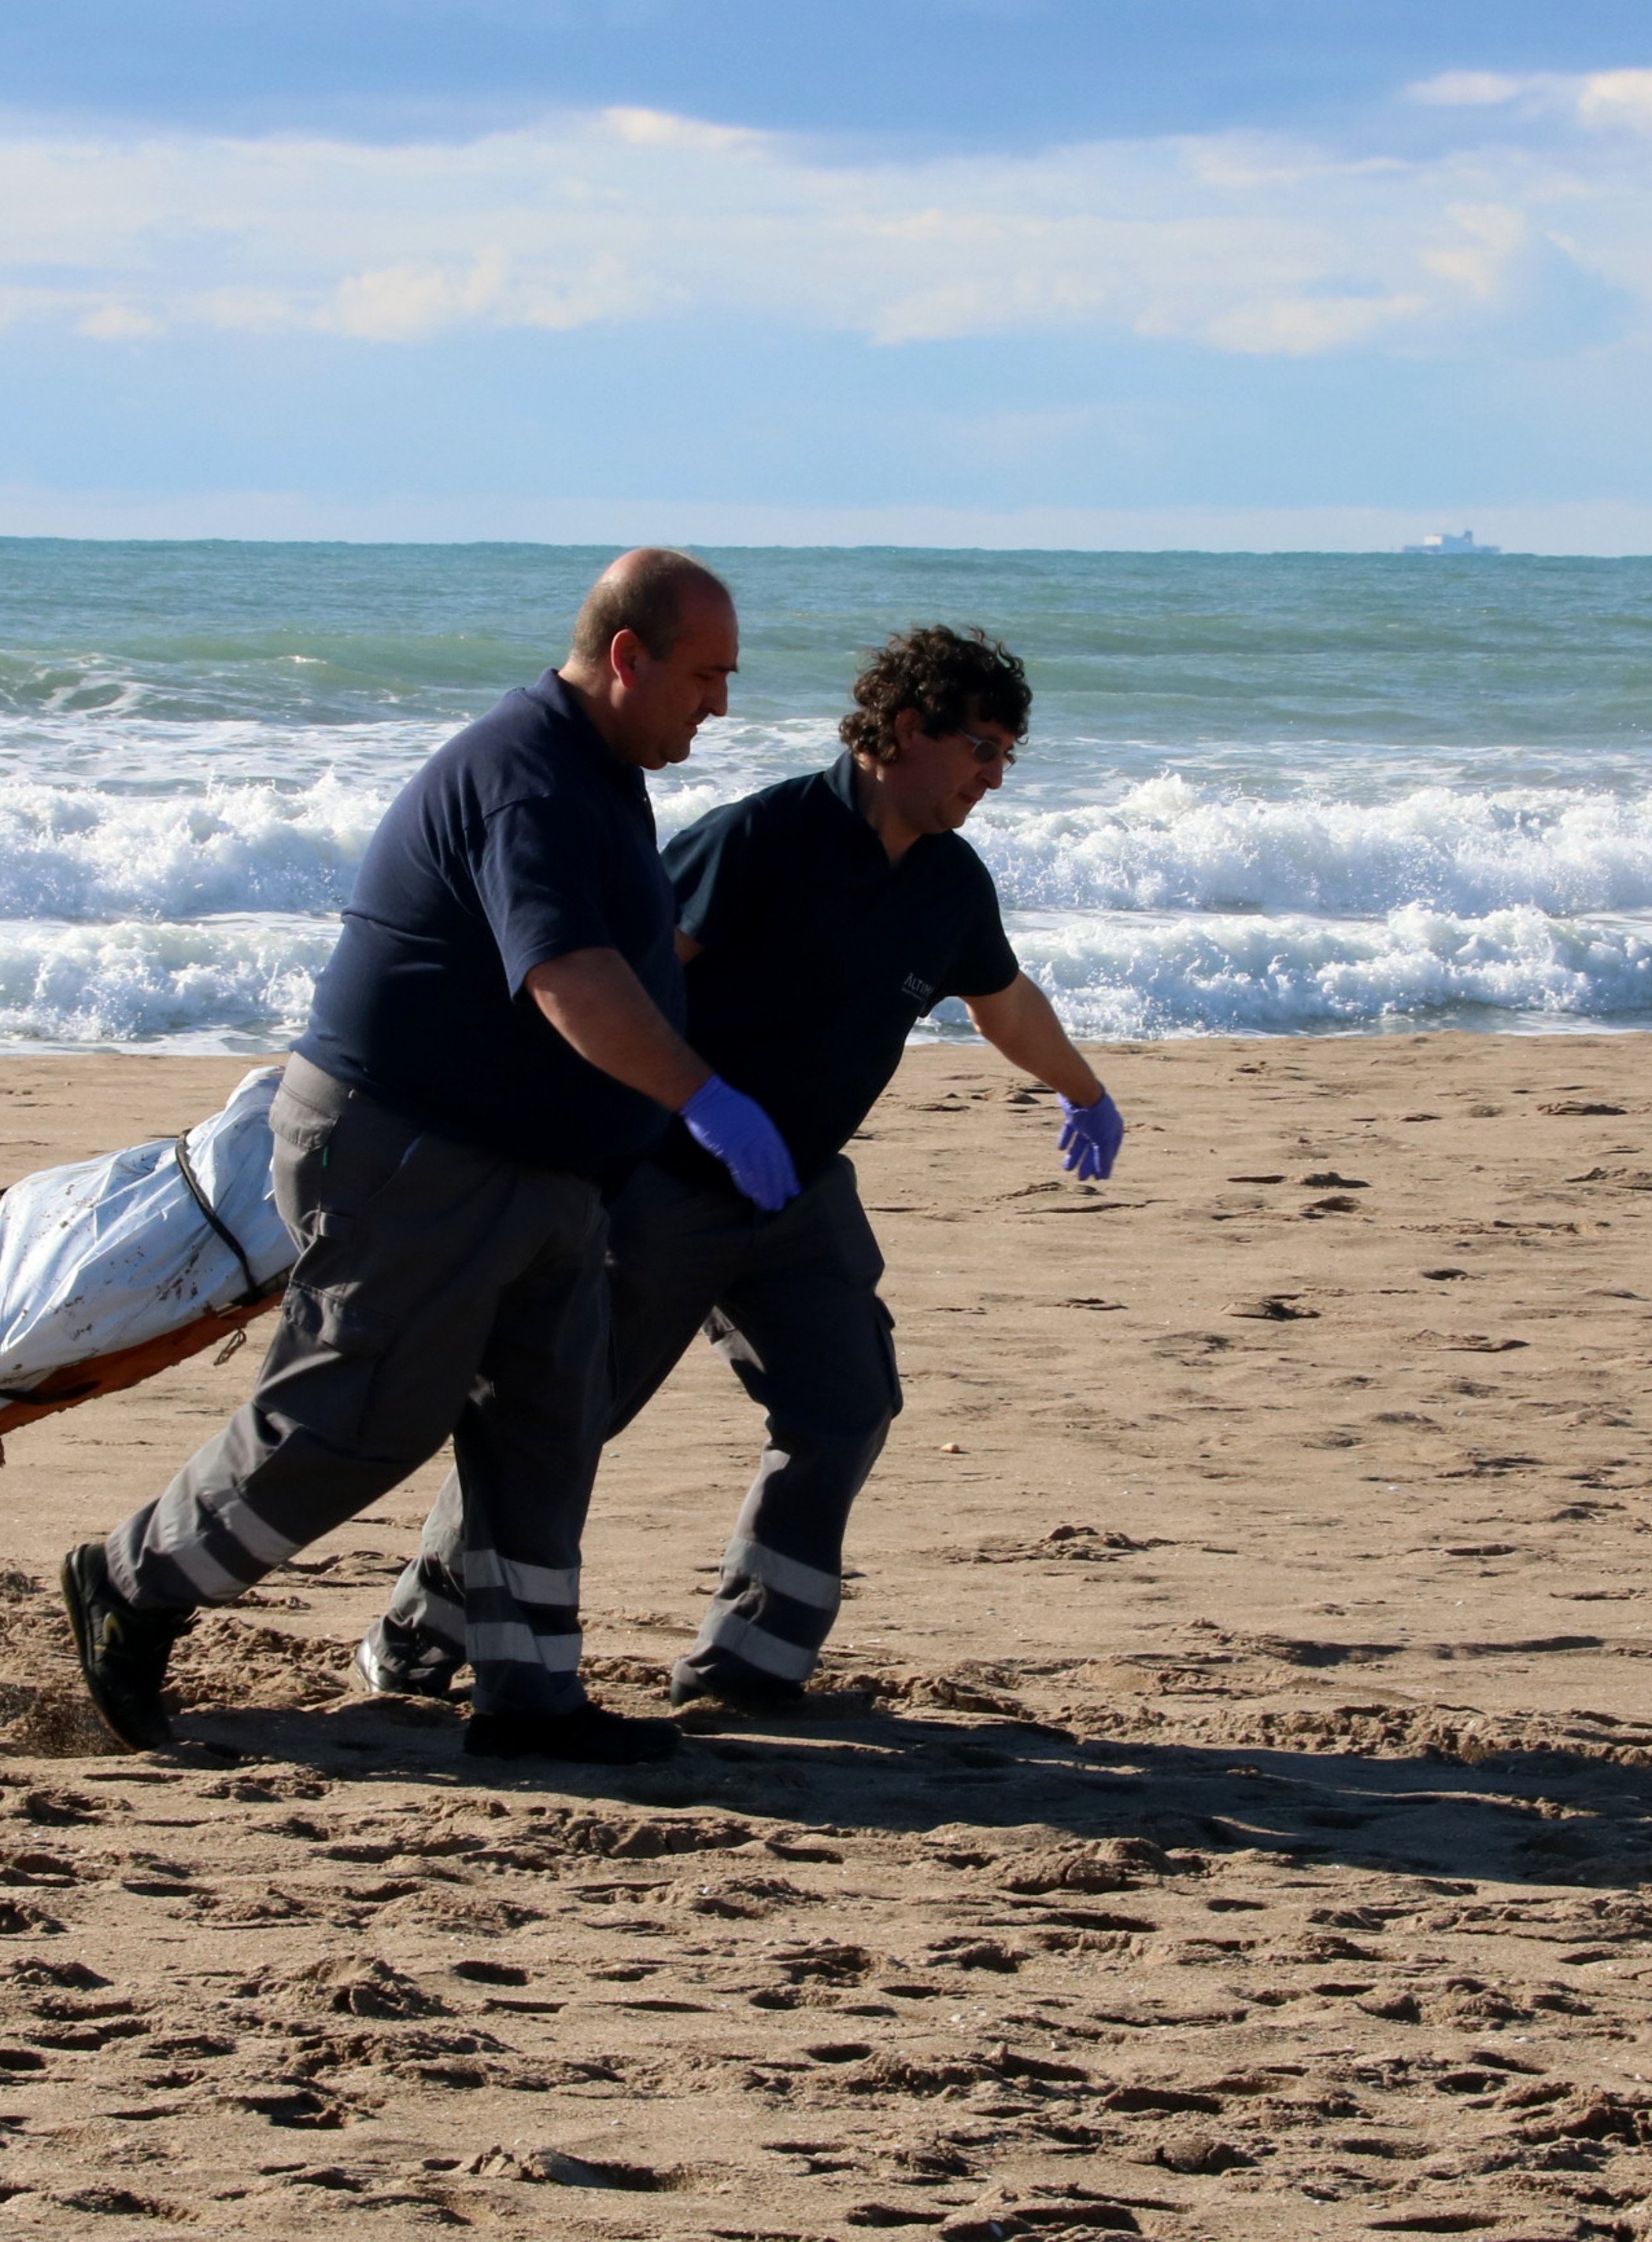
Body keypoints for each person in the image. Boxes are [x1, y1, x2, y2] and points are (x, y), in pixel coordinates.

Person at [61, 549, 804, 1764]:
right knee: (354, 1416)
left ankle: (529, 1698)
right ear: (627, 657)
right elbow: (568, 978)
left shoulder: (607, 770)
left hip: (542, 1170)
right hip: (415, 1152)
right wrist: (704, 1098)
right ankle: (131, 1582)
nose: (719, 703)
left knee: (545, 1424)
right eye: (705, 675)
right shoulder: (531, 775)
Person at [356, 623, 1120, 1716]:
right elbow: (608, 979)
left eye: (1008, 756)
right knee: (563, 1420)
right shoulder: (761, 838)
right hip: (662, 1186)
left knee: (847, 1405)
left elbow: (1002, 1002)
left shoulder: (950, 884)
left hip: (800, 1192)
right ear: (905, 730)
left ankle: (749, 1666)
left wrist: (1083, 1089)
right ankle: (417, 1629)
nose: (993, 777)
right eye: (982, 748)